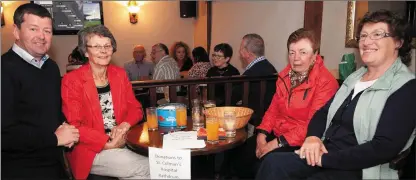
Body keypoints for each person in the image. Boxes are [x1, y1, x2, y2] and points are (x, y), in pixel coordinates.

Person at [256, 10, 416, 180]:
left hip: (360, 166)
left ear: (398, 41)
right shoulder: (355, 77)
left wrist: (325, 159)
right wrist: (312, 137)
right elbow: (324, 112)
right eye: (363, 36)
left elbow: (383, 147)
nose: (367, 41)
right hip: (325, 151)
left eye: (377, 34)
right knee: (273, 163)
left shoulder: (405, 86)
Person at [230, 28, 339, 179]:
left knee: (264, 164)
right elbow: (273, 110)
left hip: (302, 141)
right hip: (279, 133)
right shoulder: (285, 76)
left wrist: (274, 143)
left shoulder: (326, 82)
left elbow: (313, 124)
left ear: (315, 55)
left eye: (303, 52)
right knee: (241, 154)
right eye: (292, 52)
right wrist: (261, 135)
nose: (296, 58)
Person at [1, 3, 79, 179]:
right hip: (20, 168)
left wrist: (65, 126)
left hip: (54, 162)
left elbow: (50, 111)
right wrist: (54, 138)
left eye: (47, 31)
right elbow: (4, 134)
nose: (42, 37)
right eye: (33, 29)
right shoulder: (3, 69)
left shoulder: (50, 67)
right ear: (16, 31)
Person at [61, 25, 150, 179]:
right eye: (96, 46)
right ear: (86, 51)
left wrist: (124, 125)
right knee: (151, 166)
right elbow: (75, 125)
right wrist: (106, 143)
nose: (103, 51)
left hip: (124, 143)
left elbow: (136, 108)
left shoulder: (120, 74)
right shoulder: (72, 80)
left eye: (107, 46)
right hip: (90, 150)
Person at [235, 33, 277, 133]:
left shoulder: (251, 74)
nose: (240, 52)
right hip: (269, 121)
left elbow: (234, 95)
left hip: (256, 124)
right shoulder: (270, 68)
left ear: (247, 53)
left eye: (241, 49)